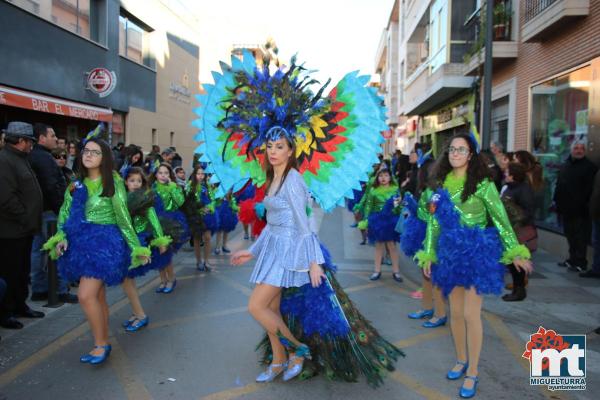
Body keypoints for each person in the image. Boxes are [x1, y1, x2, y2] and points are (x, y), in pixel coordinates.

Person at [231, 136, 402, 385]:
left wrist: (313, 262)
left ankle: (296, 350)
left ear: (291, 151)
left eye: (280, 147)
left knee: (256, 307)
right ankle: (278, 361)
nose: (273, 152)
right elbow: (272, 223)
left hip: (289, 251)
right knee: (272, 309)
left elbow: (305, 224)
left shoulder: (293, 180)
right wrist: (253, 250)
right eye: (269, 147)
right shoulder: (272, 179)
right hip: (272, 249)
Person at [416, 133, 532, 398]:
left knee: (471, 315)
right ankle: (460, 359)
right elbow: (434, 223)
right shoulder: (440, 186)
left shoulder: (483, 185)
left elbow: (501, 220)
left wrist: (515, 251)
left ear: (471, 155)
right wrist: (429, 253)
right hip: (450, 255)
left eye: (461, 149)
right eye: (452, 149)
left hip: (477, 254)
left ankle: (473, 372)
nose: (455, 153)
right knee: (455, 314)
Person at [44, 137, 150, 364]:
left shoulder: (112, 183)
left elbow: (123, 220)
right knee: (98, 296)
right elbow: (65, 212)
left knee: (85, 295)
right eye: (86, 151)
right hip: (81, 244)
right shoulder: (76, 184)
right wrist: (61, 236)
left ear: (105, 158)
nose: (88, 155)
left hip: (105, 245)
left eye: (95, 152)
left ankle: (101, 344)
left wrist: (136, 247)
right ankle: (102, 340)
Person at [0, 122, 45, 329]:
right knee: (10, 272)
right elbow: (6, 198)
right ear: (20, 141)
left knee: (21, 271)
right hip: (11, 230)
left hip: (23, 229)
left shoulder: (20, 159)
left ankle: (20, 305)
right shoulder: (5, 160)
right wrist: (25, 217)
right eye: (30, 141)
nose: (31, 145)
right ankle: (6, 312)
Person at [28, 123, 77, 303]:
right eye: (52, 135)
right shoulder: (44, 158)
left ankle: (39, 288)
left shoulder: (32, 156)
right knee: (59, 249)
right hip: (50, 213)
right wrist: (61, 211)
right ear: (41, 138)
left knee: (37, 251)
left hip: (38, 212)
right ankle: (61, 290)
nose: (56, 138)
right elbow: (52, 187)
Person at [121, 167, 172, 332]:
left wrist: (160, 240)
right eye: (131, 180)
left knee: (127, 280)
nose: (135, 184)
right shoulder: (121, 198)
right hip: (124, 243)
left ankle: (141, 315)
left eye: (139, 181)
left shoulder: (144, 199)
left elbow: (153, 219)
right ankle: (136, 312)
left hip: (137, 243)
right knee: (127, 281)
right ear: (125, 182)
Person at [554, 140, 598, 272]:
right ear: (571, 150)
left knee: (580, 237)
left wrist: (583, 204)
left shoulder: (589, 167)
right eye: (576, 148)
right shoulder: (566, 164)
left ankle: (580, 262)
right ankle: (572, 259)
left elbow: (590, 189)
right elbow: (560, 184)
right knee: (570, 235)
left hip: (580, 209)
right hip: (565, 208)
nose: (579, 151)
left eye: (581, 148)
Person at [150, 163, 190, 292]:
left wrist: (173, 187)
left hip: (170, 224)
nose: (163, 176)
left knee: (166, 253)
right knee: (157, 253)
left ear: (170, 175)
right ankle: (163, 280)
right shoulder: (151, 189)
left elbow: (180, 202)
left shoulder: (174, 187)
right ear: (155, 175)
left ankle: (171, 279)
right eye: (160, 173)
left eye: (166, 173)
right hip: (154, 223)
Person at [500, 163, 537, 301]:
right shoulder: (510, 187)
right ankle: (517, 289)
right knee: (511, 262)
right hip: (511, 230)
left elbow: (527, 212)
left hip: (521, 231)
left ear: (513, 175)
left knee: (518, 263)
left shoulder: (524, 189)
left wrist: (515, 221)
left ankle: (519, 291)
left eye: (507, 172)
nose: (505, 174)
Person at [359, 167, 402, 282]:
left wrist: (401, 218)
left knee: (392, 246)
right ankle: (377, 271)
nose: (383, 178)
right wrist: (366, 220)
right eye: (381, 176)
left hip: (391, 222)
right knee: (378, 246)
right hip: (377, 221)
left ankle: (396, 271)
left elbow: (399, 208)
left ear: (390, 178)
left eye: (386, 175)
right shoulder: (373, 191)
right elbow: (368, 207)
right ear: (377, 178)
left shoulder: (395, 191)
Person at [185, 165, 216, 271]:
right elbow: (187, 201)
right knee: (197, 239)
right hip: (195, 215)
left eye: (203, 174)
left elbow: (213, 199)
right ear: (194, 174)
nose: (201, 176)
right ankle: (198, 261)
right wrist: (197, 209)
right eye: (198, 174)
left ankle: (206, 261)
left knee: (207, 238)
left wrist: (210, 207)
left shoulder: (207, 185)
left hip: (207, 215)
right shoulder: (189, 186)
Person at [580, 170, 600, 278]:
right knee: (597, 242)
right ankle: (596, 268)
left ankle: (597, 269)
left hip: (597, 212)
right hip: (596, 212)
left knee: (597, 242)